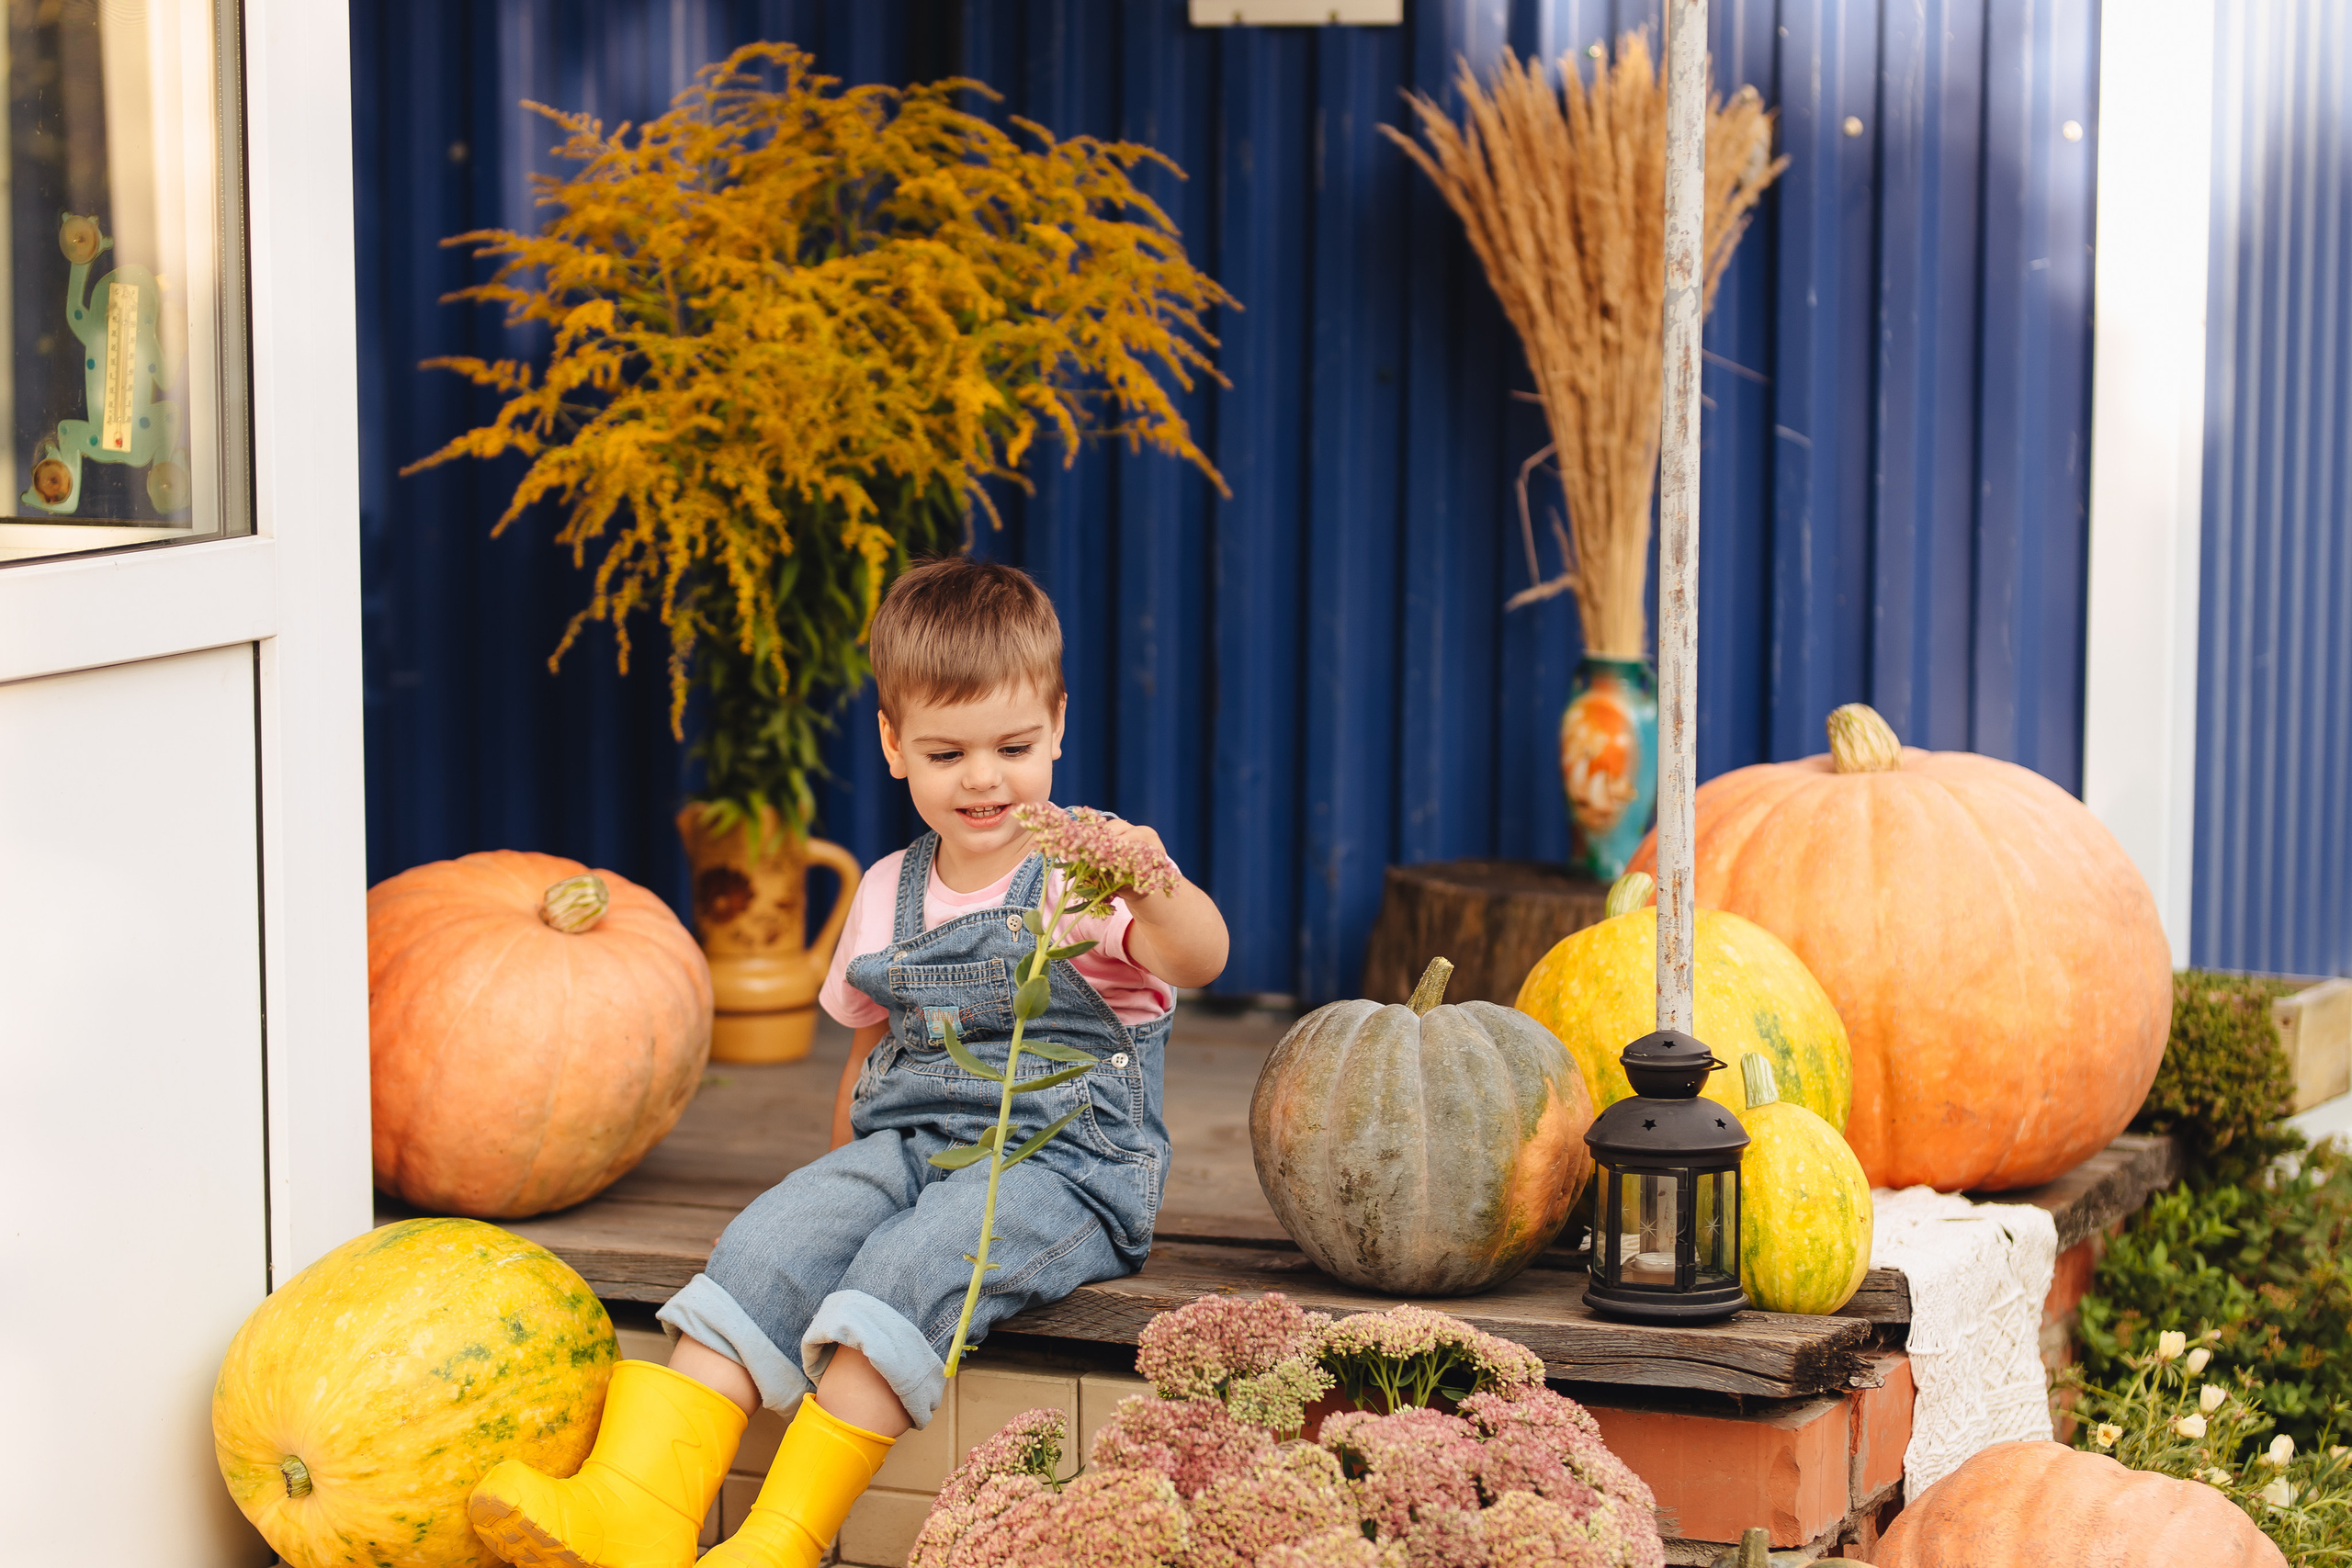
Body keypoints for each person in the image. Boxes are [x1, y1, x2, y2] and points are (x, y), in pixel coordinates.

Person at [469, 558, 1231, 1568]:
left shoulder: (1087, 872)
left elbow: (1202, 959)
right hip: (912, 1146)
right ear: (891, 745)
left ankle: (780, 1543)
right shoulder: (886, 889)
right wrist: (837, 1186)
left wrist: (1154, 878)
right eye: (946, 751)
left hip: (1062, 1167)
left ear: (1056, 725)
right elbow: (871, 1048)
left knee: (910, 1266)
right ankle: (635, 1511)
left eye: (1011, 746)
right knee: (773, 1239)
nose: (983, 778)